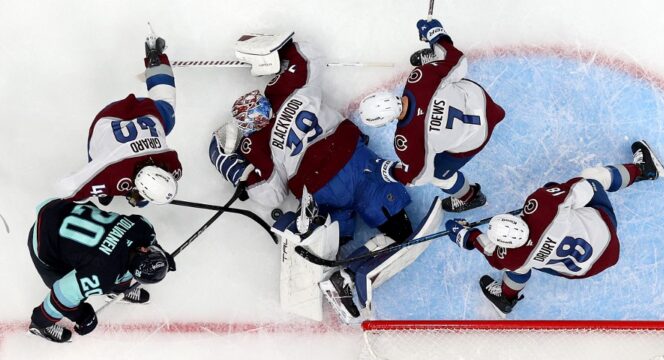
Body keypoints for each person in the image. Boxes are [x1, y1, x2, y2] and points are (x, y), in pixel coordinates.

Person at [208, 32, 418, 320]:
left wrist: (234, 169)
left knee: (332, 242)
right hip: (357, 166)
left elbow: (270, 194)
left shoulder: (256, 146)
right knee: (401, 231)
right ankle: (348, 273)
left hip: (321, 192)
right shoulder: (287, 91)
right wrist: (275, 51)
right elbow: (309, 56)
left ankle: (330, 263)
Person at [445, 141, 664, 315]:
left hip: (584, 269)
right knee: (591, 177)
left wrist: (465, 235)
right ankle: (643, 170)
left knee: (520, 266)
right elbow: (582, 187)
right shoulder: (543, 206)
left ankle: (506, 297)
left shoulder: (509, 256)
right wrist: (556, 193)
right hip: (605, 234)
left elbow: (485, 247)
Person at [358, 18, 506, 213]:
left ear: (383, 123)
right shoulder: (419, 78)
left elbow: (420, 176)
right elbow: (458, 61)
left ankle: (470, 197)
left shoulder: (407, 141)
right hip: (482, 101)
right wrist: (437, 36)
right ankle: (436, 62)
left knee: (438, 175)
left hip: (476, 136)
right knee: (443, 75)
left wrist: (387, 170)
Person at [58, 34, 182, 207]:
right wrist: (94, 188)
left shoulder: (174, 166)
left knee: (166, 107)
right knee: (97, 159)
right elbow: (66, 189)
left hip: (143, 111)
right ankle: (102, 188)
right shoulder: (109, 171)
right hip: (108, 119)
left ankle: (155, 58)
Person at [28, 199, 175, 342]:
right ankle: (40, 324)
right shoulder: (102, 275)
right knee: (67, 298)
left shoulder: (143, 227)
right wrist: (81, 315)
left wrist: (160, 255)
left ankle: (117, 290)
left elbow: (147, 244)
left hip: (59, 207)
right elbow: (62, 292)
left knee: (120, 261)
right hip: (42, 240)